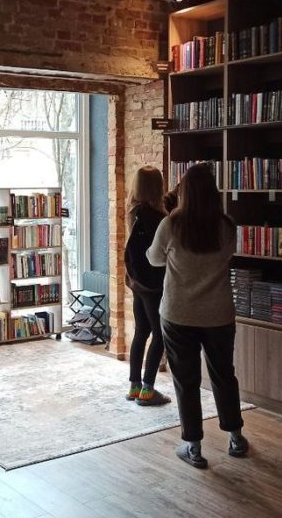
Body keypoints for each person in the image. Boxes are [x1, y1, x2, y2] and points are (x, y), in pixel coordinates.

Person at [147, 162, 247, 468]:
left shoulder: (171, 225)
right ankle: (235, 437)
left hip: (178, 314)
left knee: (186, 380)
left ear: (185, 192)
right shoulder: (227, 225)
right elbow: (227, 256)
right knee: (223, 375)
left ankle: (193, 446)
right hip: (218, 314)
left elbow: (154, 259)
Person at [123, 166, 170, 406]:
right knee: (160, 335)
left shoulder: (133, 212)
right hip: (154, 285)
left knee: (141, 331)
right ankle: (148, 390)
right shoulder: (159, 219)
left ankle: (134, 385)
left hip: (137, 283)